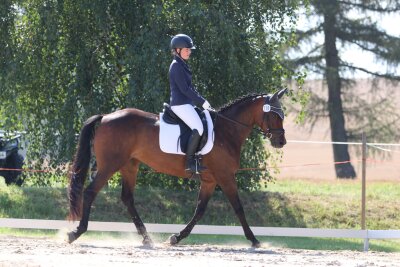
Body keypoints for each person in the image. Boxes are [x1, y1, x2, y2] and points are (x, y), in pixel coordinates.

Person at [169, 34, 213, 173]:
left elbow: (191, 88)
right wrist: (201, 102)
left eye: (190, 49)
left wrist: (203, 101)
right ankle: (189, 163)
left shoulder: (182, 64)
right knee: (199, 128)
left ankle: (197, 157)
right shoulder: (176, 66)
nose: (189, 51)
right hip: (179, 105)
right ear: (177, 50)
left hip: (186, 103)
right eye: (186, 49)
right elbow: (185, 89)